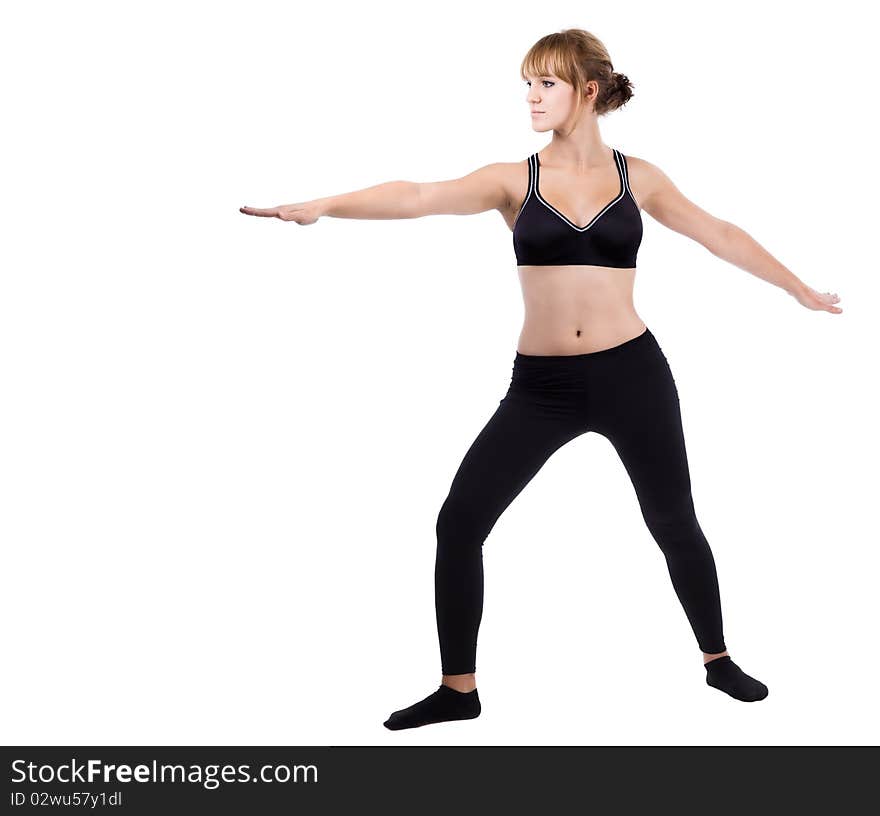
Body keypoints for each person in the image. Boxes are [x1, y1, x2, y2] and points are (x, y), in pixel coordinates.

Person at [240, 29, 842, 731]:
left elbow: (721, 233)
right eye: (527, 83)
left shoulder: (636, 177)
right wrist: (324, 204)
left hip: (632, 374)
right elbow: (417, 195)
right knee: (460, 523)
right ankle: (458, 691)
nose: (531, 96)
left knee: (672, 518)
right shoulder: (511, 180)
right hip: (542, 388)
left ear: (587, 91)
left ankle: (718, 661)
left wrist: (798, 288)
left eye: (546, 84)